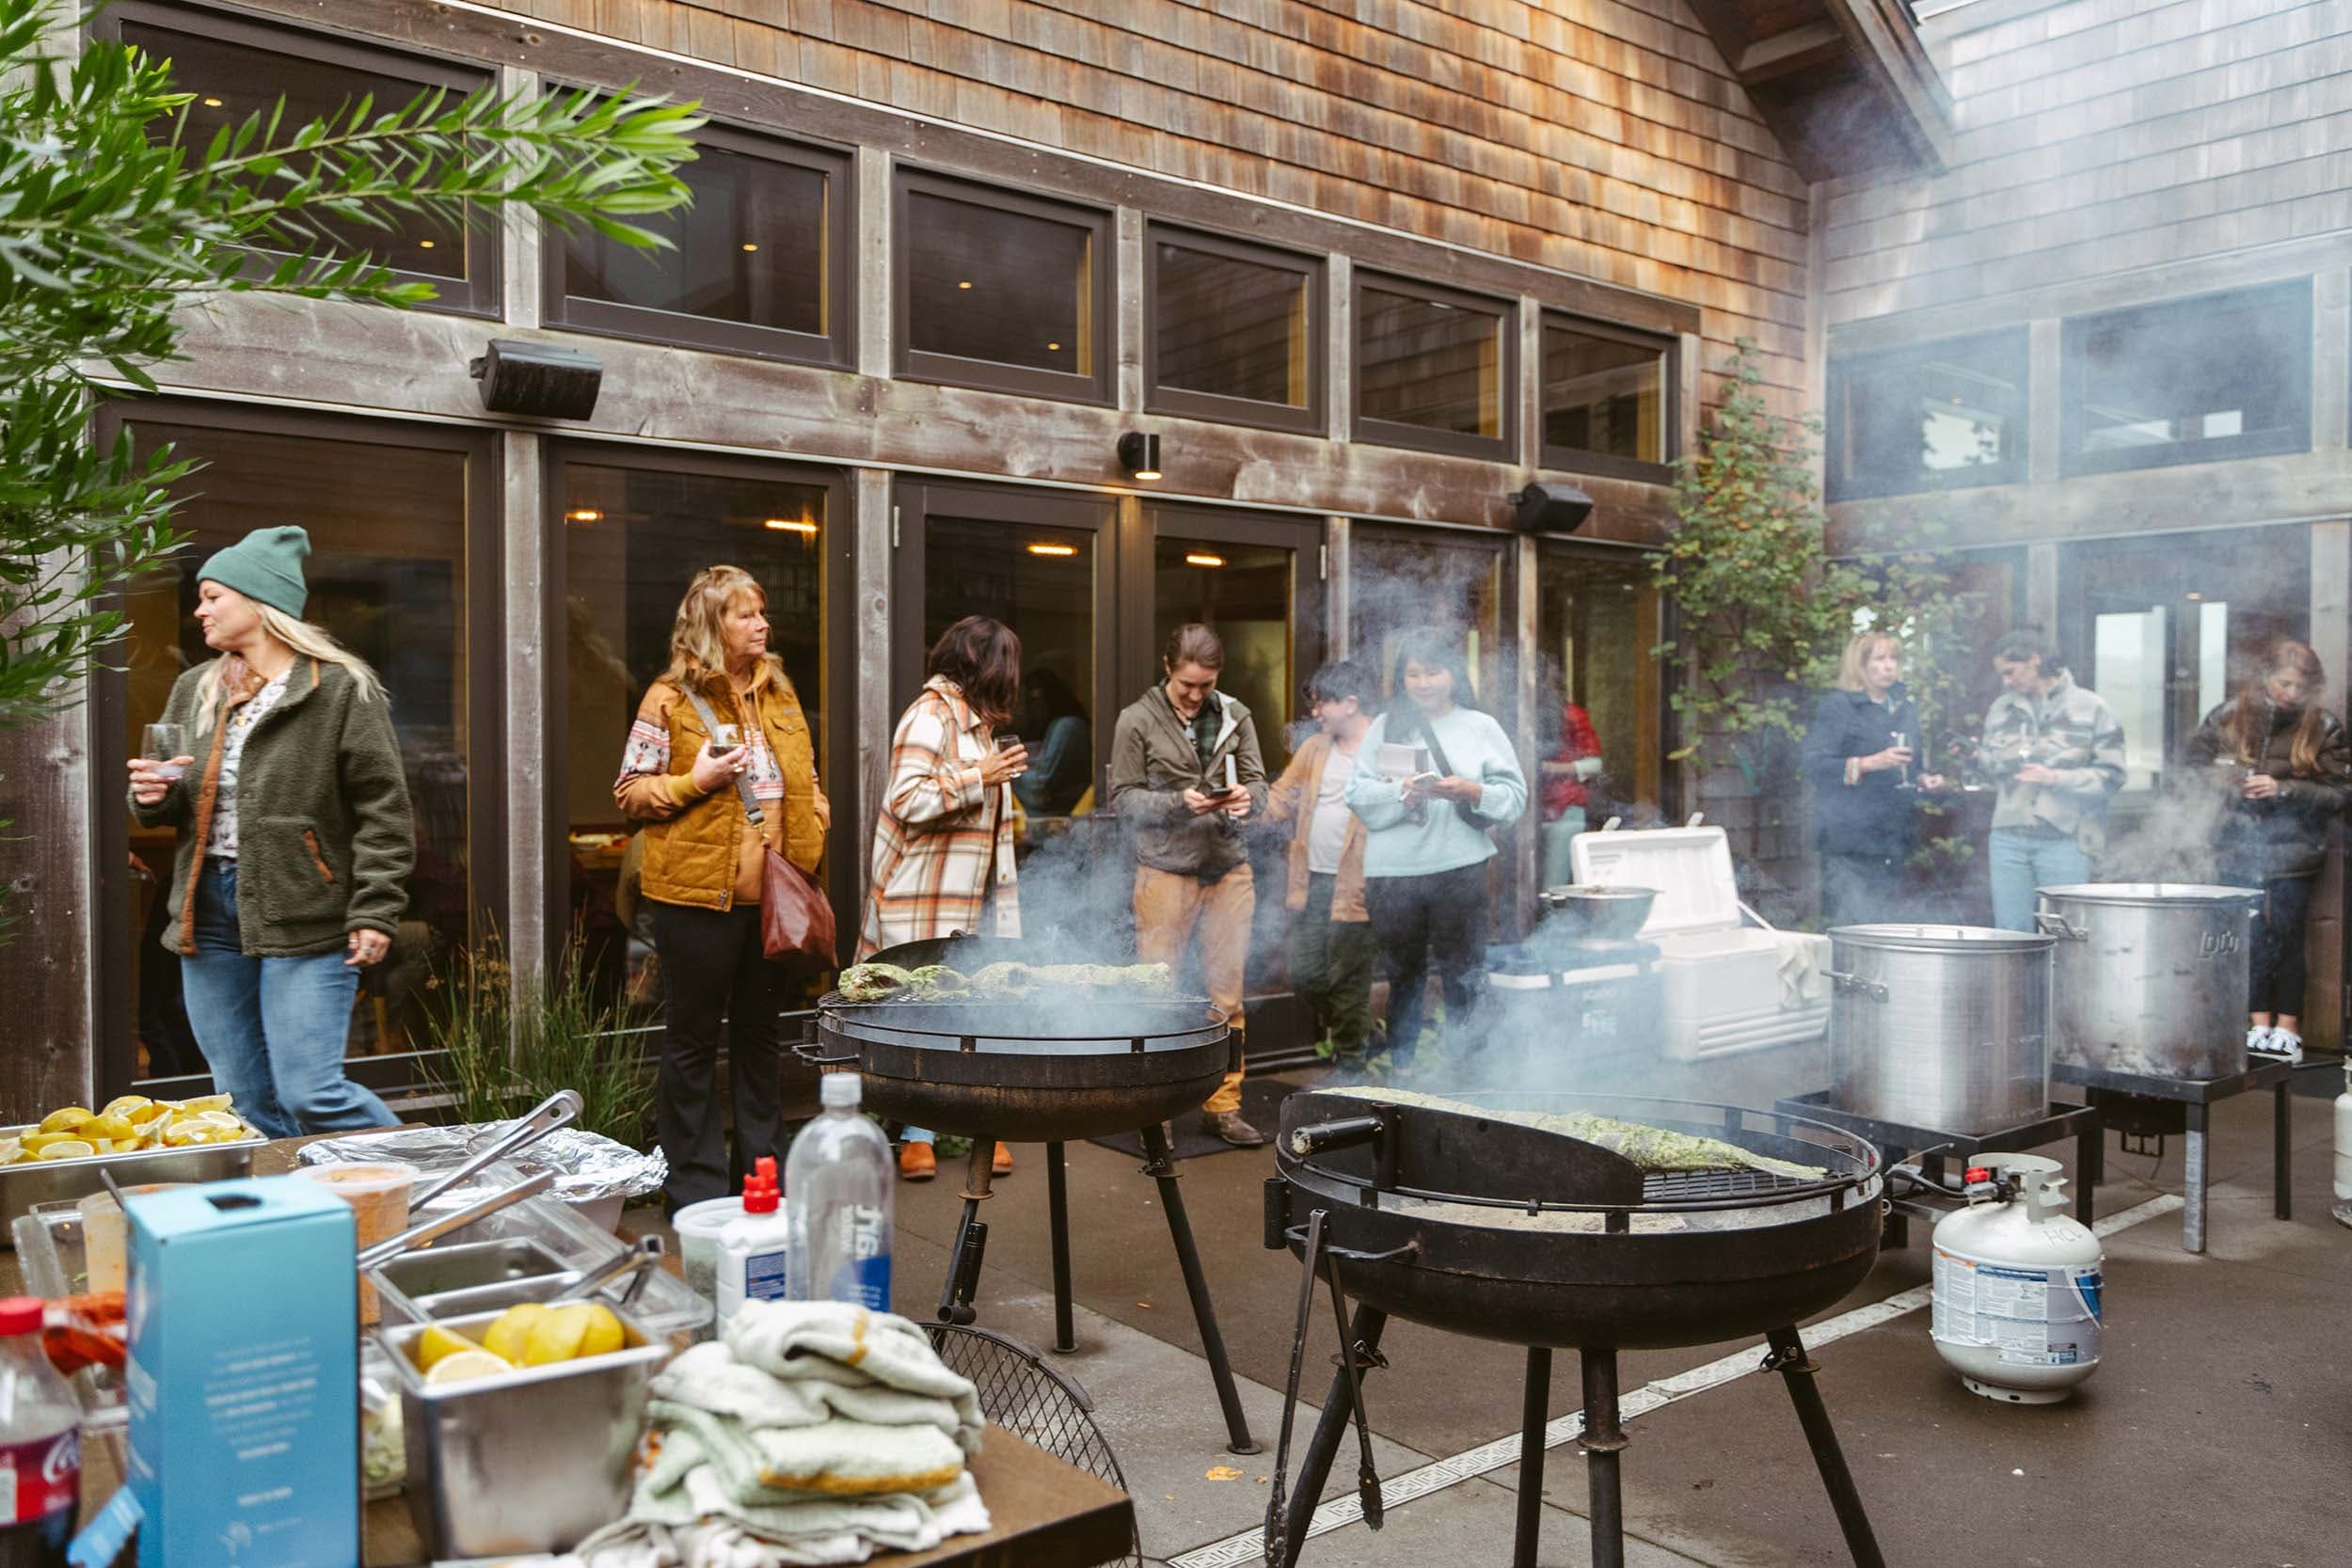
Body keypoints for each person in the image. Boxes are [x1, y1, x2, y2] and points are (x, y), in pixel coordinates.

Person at [125, 525, 407, 1137]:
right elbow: (171, 802)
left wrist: (374, 910)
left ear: (258, 600)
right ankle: (308, 1220)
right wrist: (152, 795)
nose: (198, 609)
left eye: (212, 595)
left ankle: (431, 1180)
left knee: (312, 1092)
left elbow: (383, 811)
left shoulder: (338, 690)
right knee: (246, 1101)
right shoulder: (193, 689)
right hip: (208, 914)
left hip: (305, 911)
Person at [614, 564, 832, 1212]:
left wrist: (816, 811)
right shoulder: (668, 698)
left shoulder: (781, 692)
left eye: (761, 612)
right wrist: (696, 780)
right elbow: (629, 790)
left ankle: (762, 1179)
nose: (762, 624)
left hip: (771, 900)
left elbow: (805, 774)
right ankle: (698, 1188)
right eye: (745, 614)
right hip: (693, 900)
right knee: (692, 1041)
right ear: (712, 624)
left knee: (761, 1039)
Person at [860, 616, 1027, 1181]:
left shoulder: (976, 723)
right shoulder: (929, 716)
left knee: (984, 1010)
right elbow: (905, 799)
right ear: (985, 668)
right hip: (924, 893)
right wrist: (980, 775)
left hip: (972, 892)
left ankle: (987, 1127)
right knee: (926, 1016)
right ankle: (918, 1136)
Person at [1109, 625, 1269, 1146]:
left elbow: (1260, 783)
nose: (1197, 695)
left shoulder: (1236, 715)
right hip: (1165, 869)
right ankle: (1152, 1109)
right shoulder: (1136, 720)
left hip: (1228, 868)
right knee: (1157, 993)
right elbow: (1123, 799)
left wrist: (1250, 799)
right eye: (1187, 686)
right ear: (1167, 667)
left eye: (1206, 684)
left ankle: (1223, 1106)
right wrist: (1180, 802)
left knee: (1228, 995)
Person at [1344, 628, 1528, 1072]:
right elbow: (1357, 792)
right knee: (1403, 976)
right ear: (1401, 679)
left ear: (1454, 674)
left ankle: (1464, 1073)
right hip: (1393, 875)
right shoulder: (1387, 727)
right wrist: (1401, 793)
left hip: (1459, 869)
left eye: (1433, 672)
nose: (1423, 683)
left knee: (1463, 976)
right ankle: (1403, 1073)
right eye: (1413, 674)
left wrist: (1471, 790)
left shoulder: (1480, 726)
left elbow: (1515, 797)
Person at [2184, 640, 2351, 1063]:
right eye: (2283, 683)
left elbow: (2342, 792)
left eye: (2300, 687)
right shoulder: (2228, 716)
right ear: (2264, 677)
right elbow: (2190, 768)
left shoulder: (2324, 725)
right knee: (2249, 937)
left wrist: (2284, 789)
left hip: (2295, 851)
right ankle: (2257, 1024)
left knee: (2289, 937)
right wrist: (2226, 780)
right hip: (2234, 844)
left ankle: (2289, 1027)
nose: (2291, 694)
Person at [1263, 658, 1376, 1061]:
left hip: (1361, 885)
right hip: (1311, 880)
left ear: (1350, 703)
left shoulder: (1386, 747)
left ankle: (1351, 1071)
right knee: (1305, 976)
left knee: (1348, 982)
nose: (1314, 713)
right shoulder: (1314, 748)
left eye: (1320, 704)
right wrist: (1244, 806)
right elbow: (1281, 796)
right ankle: (1362, 1032)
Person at [1978, 629, 2125, 932]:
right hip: (2007, 838)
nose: (2006, 682)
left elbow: (2113, 776)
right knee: (2010, 935)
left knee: (2065, 933)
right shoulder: (2000, 709)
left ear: (2034, 659)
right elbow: (1993, 770)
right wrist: (1976, 758)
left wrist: (2057, 778)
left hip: (2066, 839)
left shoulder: (2091, 707)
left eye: (2011, 671)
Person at [1800, 631, 1947, 926]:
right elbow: (1813, 764)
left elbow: (1911, 767)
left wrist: (1924, 780)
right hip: (1848, 840)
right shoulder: (1839, 706)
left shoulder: (1906, 708)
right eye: (1880, 659)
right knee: (1850, 924)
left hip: (1892, 836)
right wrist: (1868, 763)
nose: (1889, 666)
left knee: (1883, 924)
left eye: (1894, 659)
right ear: (1861, 665)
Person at [1537, 698, 1605, 889]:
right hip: (1528, 811)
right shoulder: (1515, 709)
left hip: (1566, 808)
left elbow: (1595, 765)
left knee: (1553, 886)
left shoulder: (1572, 714)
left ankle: (1553, 918)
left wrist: (1550, 768)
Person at [1009, 667, 1091, 818]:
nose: (1022, 710)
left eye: (1028, 702)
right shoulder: (1054, 727)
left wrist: (1007, 771)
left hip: (1059, 825)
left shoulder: (1068, 726)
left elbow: (1040, 788)